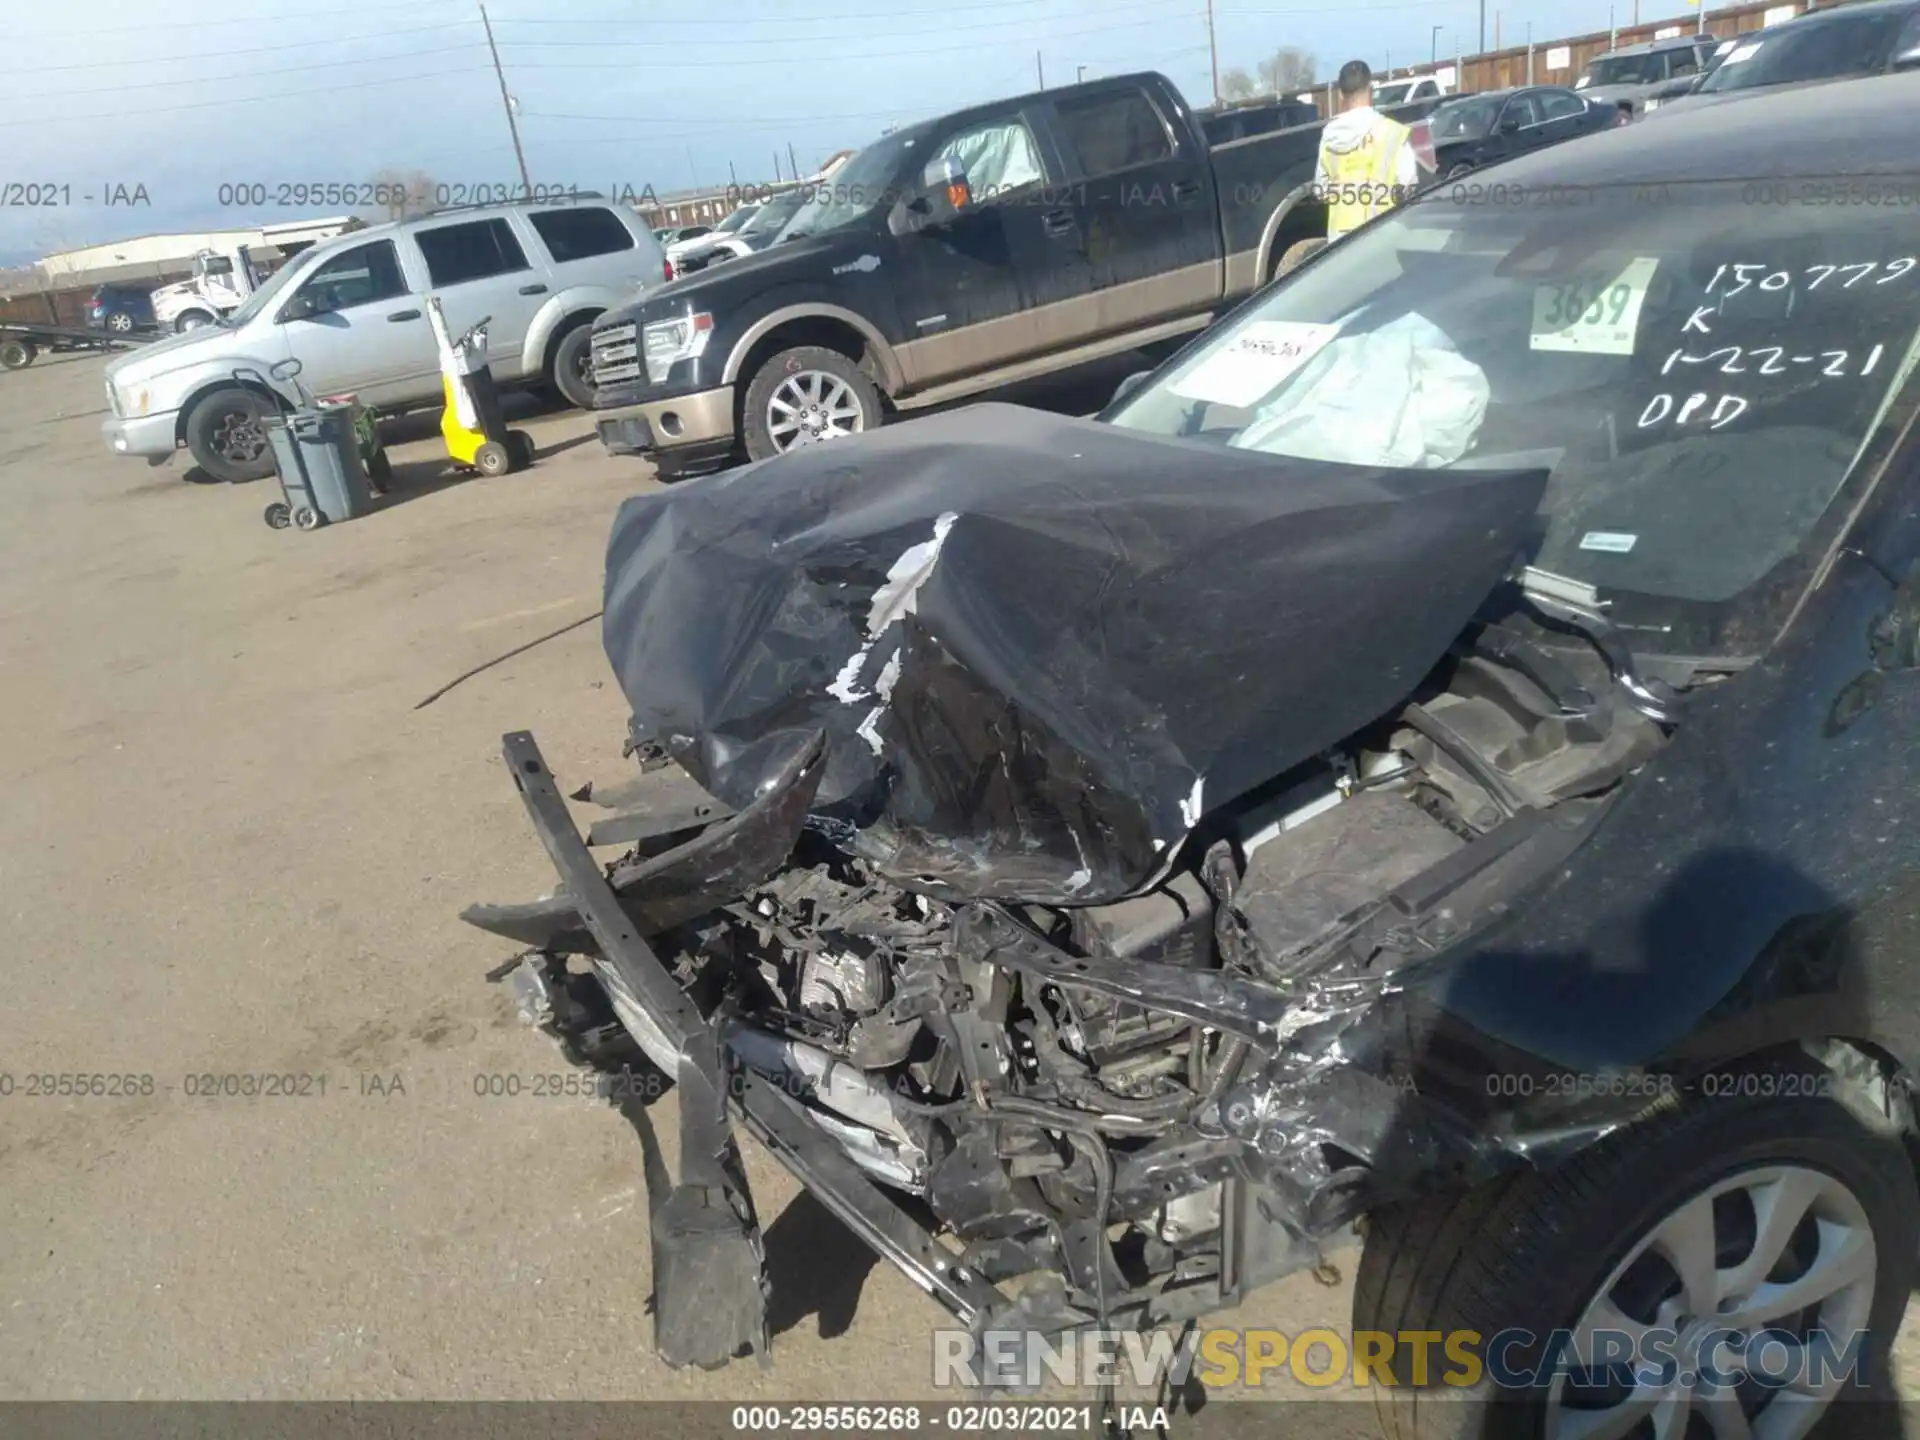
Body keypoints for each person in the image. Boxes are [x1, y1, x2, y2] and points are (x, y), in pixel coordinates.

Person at [1313, 60, 1421, 242]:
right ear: (1370, 89)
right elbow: (1408, 184)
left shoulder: (1329, 137)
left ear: (1340, 94)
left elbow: (1321, 190)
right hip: (1381, 239)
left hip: (1339, 244)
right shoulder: (1392, 133)